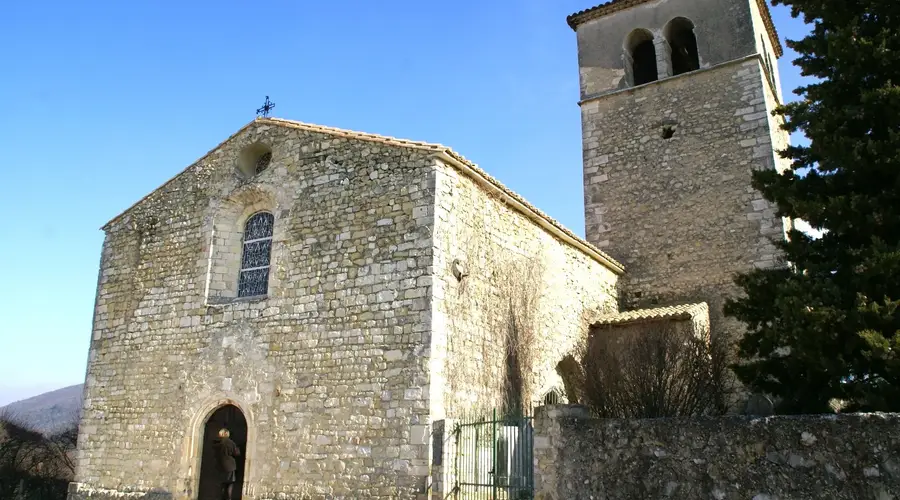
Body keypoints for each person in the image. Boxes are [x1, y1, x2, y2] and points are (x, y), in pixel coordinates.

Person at [213, 428, 240, 500]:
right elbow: (236, 453)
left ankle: (222, 498)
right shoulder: (231, 443)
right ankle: (229, 498)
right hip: (230, 466)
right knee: (230, 484)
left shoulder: (217, 443)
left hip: (220, 465)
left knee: (222, 484)